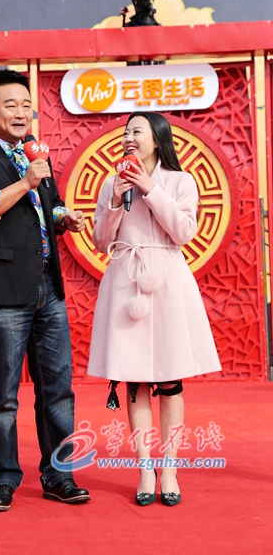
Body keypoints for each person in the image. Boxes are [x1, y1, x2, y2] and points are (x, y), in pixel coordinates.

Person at [0, 69, 90, 512]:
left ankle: (59, 475)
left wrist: (65, 218)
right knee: (3, 394)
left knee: (58, 389)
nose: (20, 112)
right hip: (2, 290)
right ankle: (4, 479)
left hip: (48, 284)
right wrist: (27, 181)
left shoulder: (36, 154)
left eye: (27, 105)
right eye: (10, 104)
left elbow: (49, 208)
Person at [87, 111, 221, 506]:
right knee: (135, 380)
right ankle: (146, 469)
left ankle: (170, 469)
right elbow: (100, 241)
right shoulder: (112, 182)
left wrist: (149, 188)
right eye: (125, 132)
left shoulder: (181, 181)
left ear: (158, 139)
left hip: (167, 282)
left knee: (170, 378)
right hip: (126, 281)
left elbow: (183, 232)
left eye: (137, 131)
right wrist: (115, 200)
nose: (128, 138)